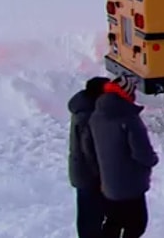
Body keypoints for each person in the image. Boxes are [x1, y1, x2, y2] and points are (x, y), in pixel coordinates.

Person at [90, 75, 159, 238]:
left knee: (113, 223)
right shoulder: (129, 119)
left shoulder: (96, 116)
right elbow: (142, 153)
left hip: (108, 185)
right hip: (131, 187)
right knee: (137, 225)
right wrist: (152, 160)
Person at [68, 76, 111, 238]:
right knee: (91, 218)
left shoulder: (83, 108)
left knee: (88, 215)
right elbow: (90, 150)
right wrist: (101, 177)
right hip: (89, 176)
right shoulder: (89, 116)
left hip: (81, 173)